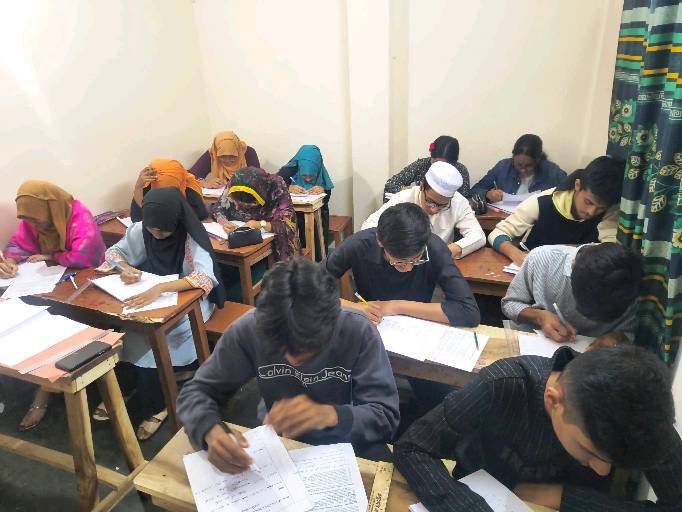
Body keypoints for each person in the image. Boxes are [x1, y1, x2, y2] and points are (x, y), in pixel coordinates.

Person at [395, 345, 682, 512]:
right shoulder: (503, 384)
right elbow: (412, 446)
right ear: (554, 400)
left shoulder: (644, 410)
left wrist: (560, 496)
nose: (602, 471)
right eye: (590, 451)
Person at [177, 257, 400, 464]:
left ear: (333, 324)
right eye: (282, 349)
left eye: (308, 351)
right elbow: (196, 392)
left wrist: (332, 415)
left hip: (344, 437)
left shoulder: (357, 331)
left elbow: (385, 415)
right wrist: (209, 430)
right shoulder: (250, 328)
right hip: (278, 437)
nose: (293, 361)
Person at [96, 188, 226, 440]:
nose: (156, 235)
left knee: (157, 339)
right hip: (149, 294)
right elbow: (113, 253)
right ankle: (125, 389)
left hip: (189, 299)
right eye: (152, 230)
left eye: (163, 231)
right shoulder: (142, 228)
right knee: (127, 331)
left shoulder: (191, 236)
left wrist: (161, 288)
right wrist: (124, 268)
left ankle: (158, 404)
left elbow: (203, 278)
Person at [0, 181, 106, 431]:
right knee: (28, 315)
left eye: (36, 220)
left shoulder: (79, 215)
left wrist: (51, 256)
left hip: (86, 282)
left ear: (51, 208)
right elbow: (18, 244)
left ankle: (45, 392)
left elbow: (85, 255)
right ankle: (40, 375)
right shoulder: (34, 219)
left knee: (63, 319)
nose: (34, 225)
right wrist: (10, 261)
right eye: (29, 220)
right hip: (48, 283)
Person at [325, 203, 479, 326]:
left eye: (416, 259)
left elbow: (469, 311)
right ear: (380, 241)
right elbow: (310, 291)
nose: (408, 268)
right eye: (399, 262)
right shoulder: (359, 244)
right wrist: (353, 307)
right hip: (372, 323)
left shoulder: (434, 248)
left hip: (417, 325)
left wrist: (396, 306)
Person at [488, 156, 625, 266]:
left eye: (600, 208)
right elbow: (497, 233)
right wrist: (517, 255)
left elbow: (611, 248)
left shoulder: (611, 210)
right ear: (577, 185)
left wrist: (569, 251)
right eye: (588, 202)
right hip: (533, 271)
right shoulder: (543, 202)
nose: (592, 212)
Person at [502, 243, 641, 347]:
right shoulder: (542, 260)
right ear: (572, 266)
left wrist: (617, 338)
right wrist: (539, 317)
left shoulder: (629, 283)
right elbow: (509, 303)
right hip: (532, 345)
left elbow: (629, 331)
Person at [362, 161, 485, 260]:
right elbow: (368, 226)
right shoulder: (403, 198)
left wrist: (449, 250)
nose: (434, 209)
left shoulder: (458, 202)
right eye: (430, 202)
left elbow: (478, 236)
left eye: (442, 205)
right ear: (421, 186)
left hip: (436, 262)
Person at [211, 167, 300, 261]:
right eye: (238, 203)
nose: (237, 207)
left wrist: (260, 224)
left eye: (250, 204)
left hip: (271, 241)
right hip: (239, 240)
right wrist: (223, 221)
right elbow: (218, 208)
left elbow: (289, 225)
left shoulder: (276, 186)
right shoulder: (236, 184)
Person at [278, 145, 333, 260]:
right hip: (292, 212)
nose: (308, 179)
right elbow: (275, 186)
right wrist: (288, 187)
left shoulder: (320, 168)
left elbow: (327, 194)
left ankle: (317, 260)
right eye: (304, 175)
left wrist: (323, 189)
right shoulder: (290, 169)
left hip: (317, 214)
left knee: (317, 233)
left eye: (311, 176)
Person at [470, 134, 566, 202]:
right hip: (505, 218)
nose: (523, 170)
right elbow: (474, 190)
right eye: (519, 165)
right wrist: (487, 194)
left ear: (538, 160)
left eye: (528, 166)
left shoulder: (552, 172)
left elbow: (570, 195)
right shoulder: (503, 166)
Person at [384, 135, 472, 198]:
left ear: (453, 163)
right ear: (432, 157)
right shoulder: (422, 164)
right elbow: (391, 184)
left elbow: (464, 198)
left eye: (443, 165)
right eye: (435, 162)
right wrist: (410, 191)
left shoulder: (460, 170)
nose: (438, 167)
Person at [130, 159, 208, 222]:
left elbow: (200, 215)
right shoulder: (148, 186)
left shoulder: (189, 189)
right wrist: (138, 187)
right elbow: (136, 218)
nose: (164, 195)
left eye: (169, 190)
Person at [189, 131, 260, 188]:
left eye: (232, 156)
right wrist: (205, 183)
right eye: (222, 156)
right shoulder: (212, 154)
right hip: (219, 198)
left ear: (238, 150)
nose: (227, 160)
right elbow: (190, 175)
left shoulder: (248, 153)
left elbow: (259, 178)